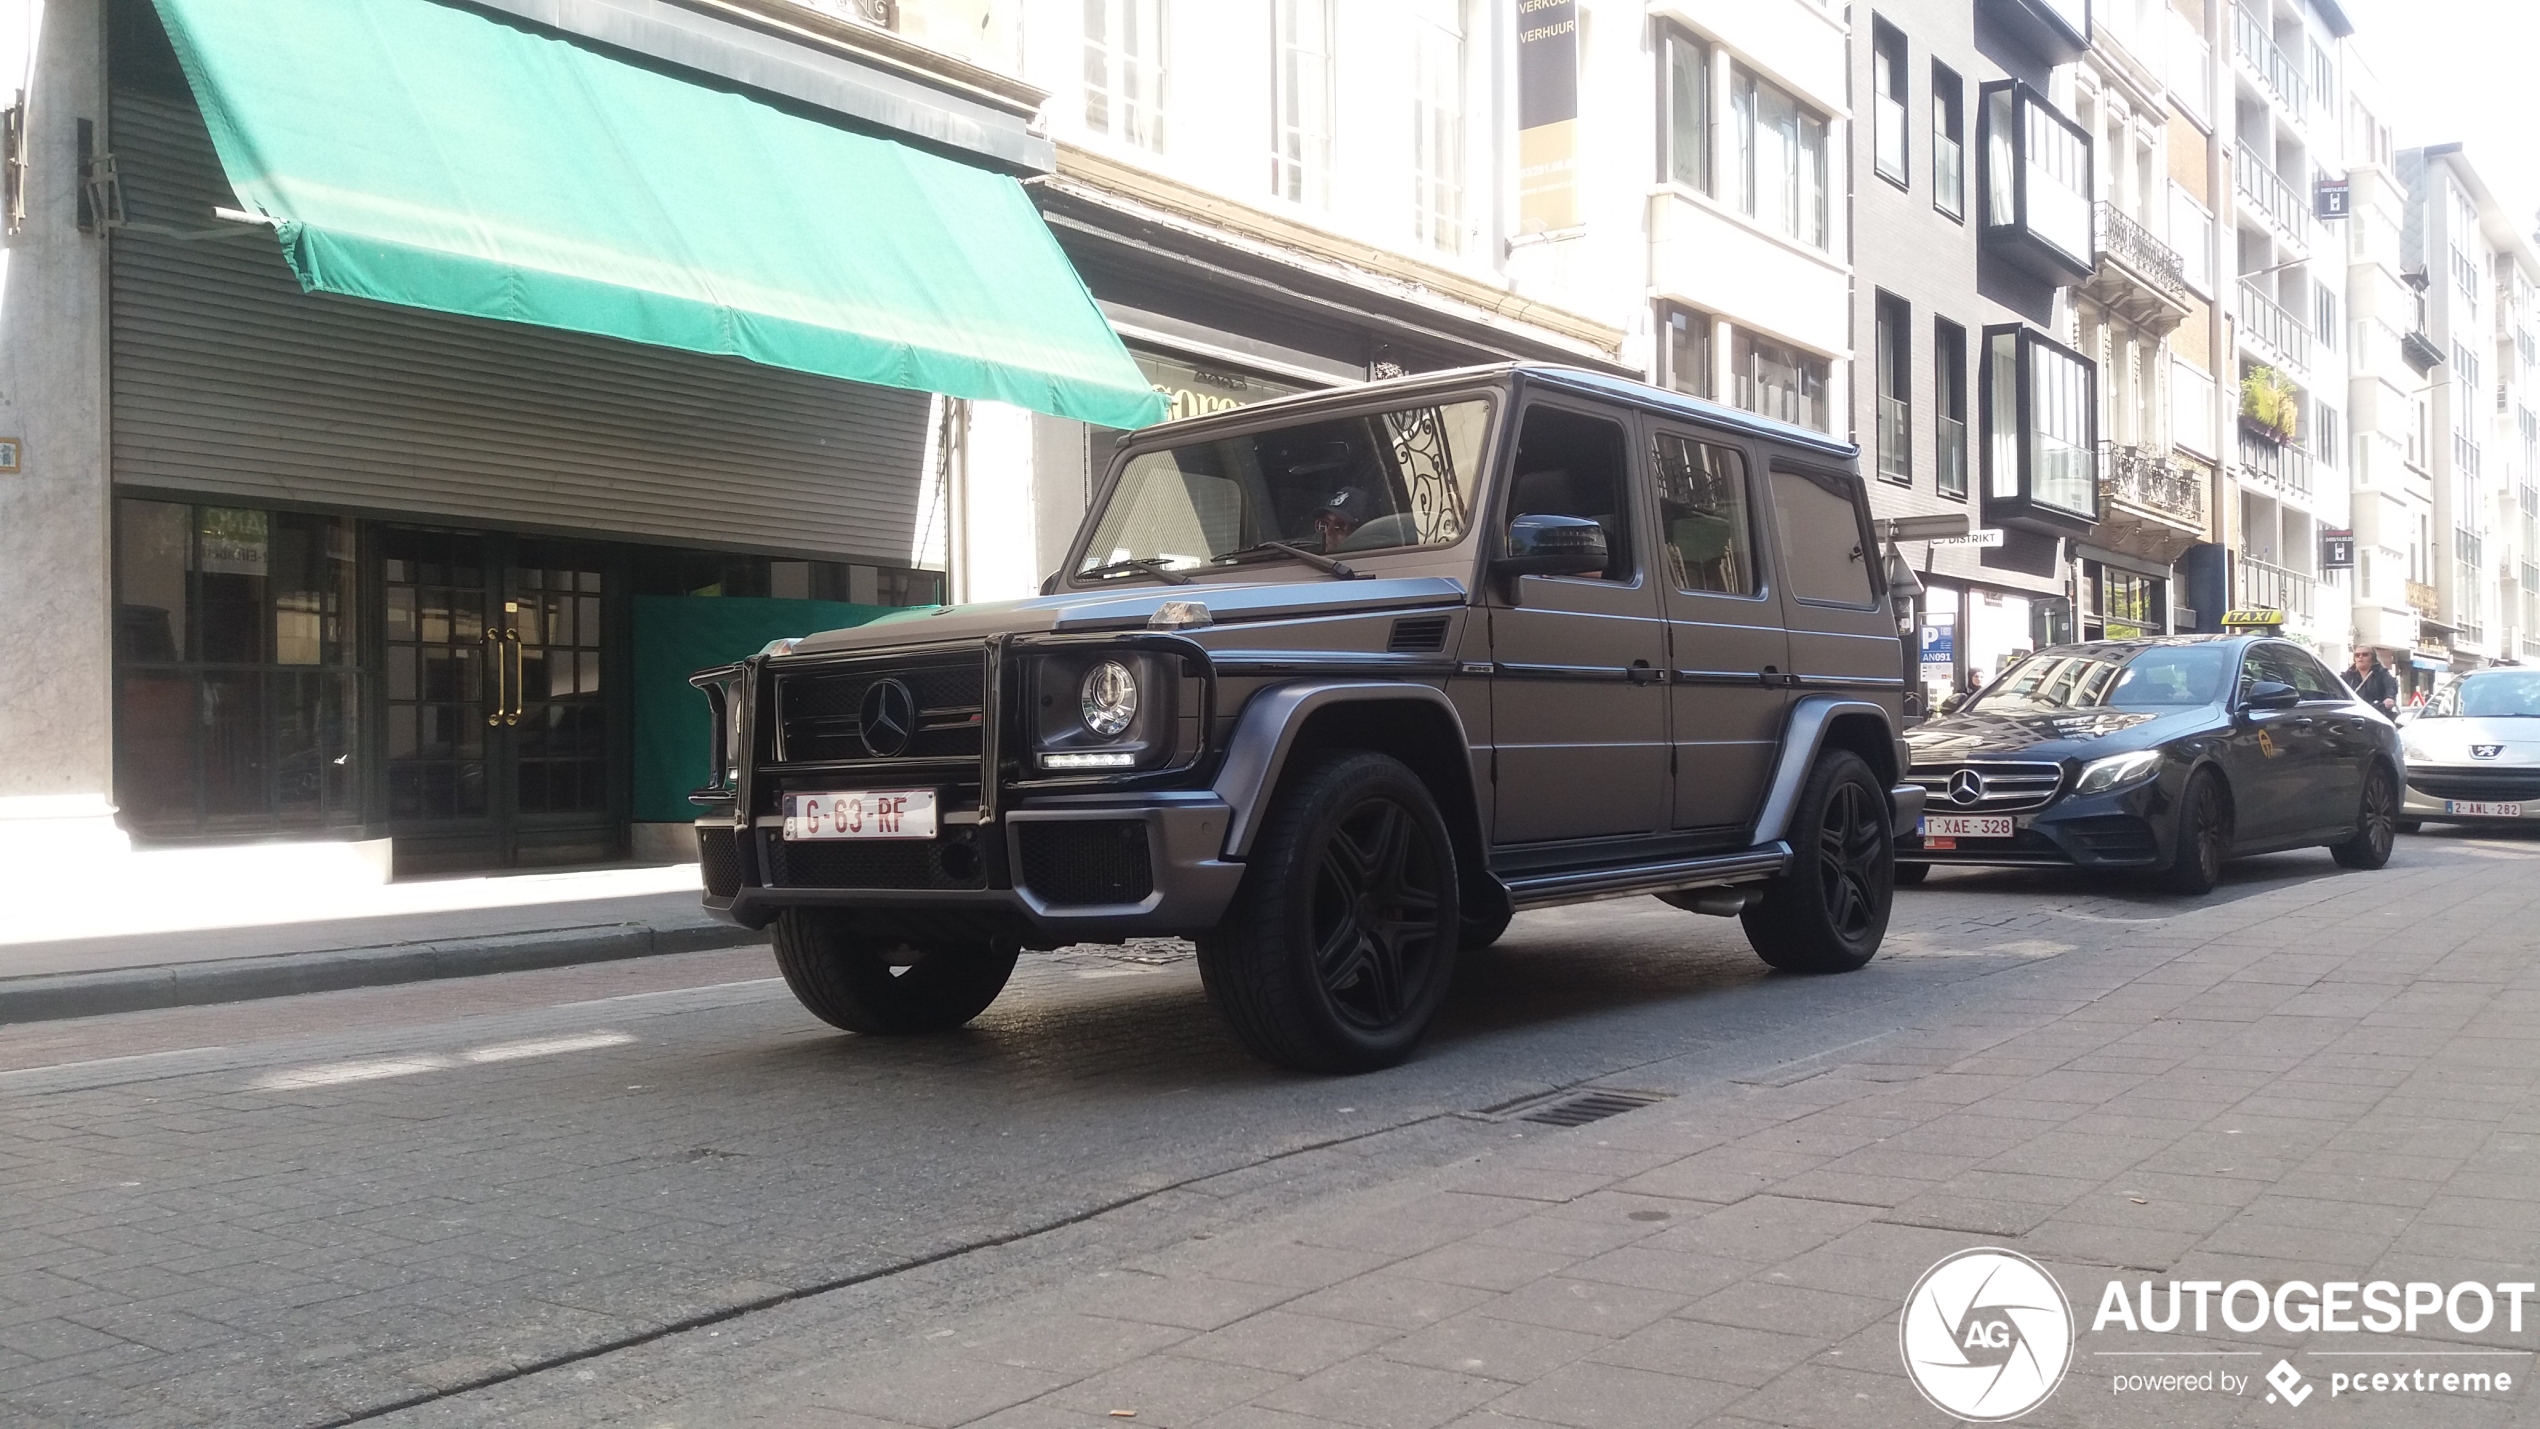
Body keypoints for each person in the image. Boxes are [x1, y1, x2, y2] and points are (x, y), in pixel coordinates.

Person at [1310, 487, 1371, 551]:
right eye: (1323, 524)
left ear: (1359, 532)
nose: (1328, 532)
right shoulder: (1304, 553)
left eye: (1339, 526)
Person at [2343, 648, 2398, 717]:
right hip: (2355, 714)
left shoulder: (2382, 673)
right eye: (2357, 655)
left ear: (2372, 657)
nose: (2360, 657)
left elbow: (2391, 687)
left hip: (2378, 715)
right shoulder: (2348, 675)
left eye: (2365, 654)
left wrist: (2389, 698)